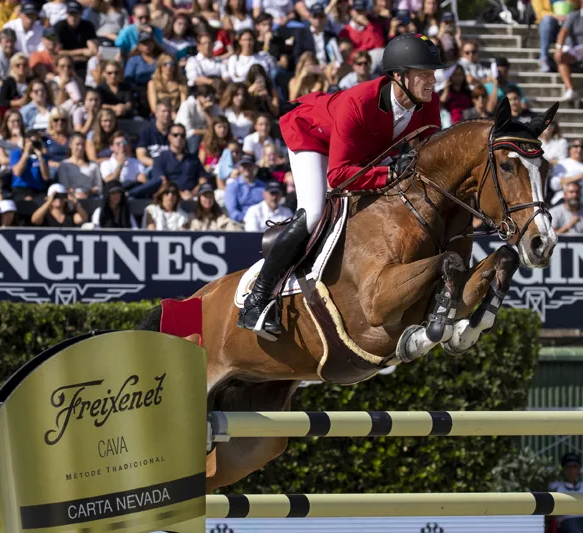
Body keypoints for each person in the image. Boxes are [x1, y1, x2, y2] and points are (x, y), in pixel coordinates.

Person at [238, 33, 445, 336]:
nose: (432, 81)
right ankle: (256, 300)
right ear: (399, 77)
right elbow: (339, 176)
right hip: (311, 137)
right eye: (424, 74)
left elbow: (430, 154)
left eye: (433, 74)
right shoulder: (358, 102)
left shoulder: (428, 103)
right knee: (313, 212)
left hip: (358, 152)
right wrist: (389, 175)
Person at [132, 122, 209, 200]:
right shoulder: (160, 158)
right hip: (169, 197)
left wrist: (192, 193)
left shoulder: (194, 159)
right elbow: (162, 181)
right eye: (175, 135)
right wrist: (179, 194)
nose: (179, 138)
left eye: (182, 135)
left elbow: (203, 180)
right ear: (169, 137)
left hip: (192, 197)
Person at [548, 452, 583, 533]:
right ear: (563, 469)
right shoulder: (555, 487)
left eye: (575, 467)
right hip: (567, 521)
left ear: (579, 470)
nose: (571, 471)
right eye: (568, 467)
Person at [177, 83, 222, 154]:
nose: (208, 99)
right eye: (205, 96)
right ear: (198, 97)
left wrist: (206, 112)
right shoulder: (187, 105)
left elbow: (218, 128)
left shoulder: (215, 107)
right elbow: (187, 131)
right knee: (195, 138)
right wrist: (208, 132)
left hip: (207, 138)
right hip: (187, 140)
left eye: (211, 96)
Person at [224, 152, 266, 223]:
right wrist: (245, 219)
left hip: (262, 221)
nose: (246, 168)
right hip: (240, 222)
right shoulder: (233, 186)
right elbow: (231, 209)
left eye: (249, 165)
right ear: (239, 168)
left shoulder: (263, 186)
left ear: (255, 166)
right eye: (244, 166)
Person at [58, 133, 102, 199]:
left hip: (91, 199)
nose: (80, 147)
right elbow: (64, 186)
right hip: (71, 200)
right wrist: (74, 194)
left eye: (83, 145)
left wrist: (88, 192)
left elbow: (98, 187)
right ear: (70, 145)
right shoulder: (64, 164)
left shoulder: (93, 165)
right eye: (77, 144)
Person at [10, 130, 51, 200]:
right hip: (21, 189)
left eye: (38, 141)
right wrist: (26, 153)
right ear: (26, 141)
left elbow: (46, 177)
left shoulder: (43, 157)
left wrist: (40, 157)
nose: (36, 143)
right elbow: (17, 172)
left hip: (39, 190)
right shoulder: (17, 153)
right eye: (34, 141)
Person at [136, 98, 173, 168]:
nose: (167, 114)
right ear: (156, 113)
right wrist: (159, 165)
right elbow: (141, 156)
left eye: (169, 111)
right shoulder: (146, 130)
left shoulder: (175, 131)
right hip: (151, 167)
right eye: (164, 111)